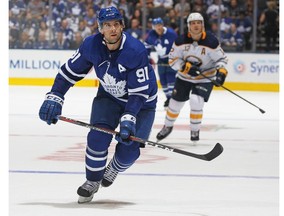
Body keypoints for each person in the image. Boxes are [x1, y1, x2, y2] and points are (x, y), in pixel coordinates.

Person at [39, 6, 158, 203]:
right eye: (107, 25)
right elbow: (68, 73)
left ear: (122, 26)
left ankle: (114, 169)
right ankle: (92, 181)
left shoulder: (135, 50)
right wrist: (55, 95)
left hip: (142, 103)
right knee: (97, 138)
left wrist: (129, 118)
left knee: (129, 151)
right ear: (100, 28)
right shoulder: (91, 46)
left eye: (116, 24)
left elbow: (139, 93)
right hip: (109, 97)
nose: (113, 29)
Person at [156, 12, 228, 142]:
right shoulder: (180, 41)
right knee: (174, 104)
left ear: (203, 25)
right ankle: (168, 126)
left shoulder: (211, 41)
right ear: (188, 26)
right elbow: (172, 60)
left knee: (196, 101)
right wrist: (186, 68)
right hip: (184, 77)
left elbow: (221, 59)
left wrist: (221, 73)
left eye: (198, 23)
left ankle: (195, 130)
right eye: (193, 23)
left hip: (205, 77)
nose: (196, 25)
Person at [144, 17, 178, 108]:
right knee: (162, 80)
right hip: (161, 59)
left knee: (170, 78)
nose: (158, 27)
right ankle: (168, 98)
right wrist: (147, 58)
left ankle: (172, 98)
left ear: (162, 25)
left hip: (172, 58)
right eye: (156, 26)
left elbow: (179, 45)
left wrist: (178, 58)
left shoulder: (171, 33)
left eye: (160, 25)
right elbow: (146, 46)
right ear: (153, 27)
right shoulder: (151, 34)